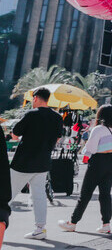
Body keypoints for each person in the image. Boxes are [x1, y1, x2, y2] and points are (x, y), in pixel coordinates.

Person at [58, 104, 112, 234]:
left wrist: (85, 155)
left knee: (85, 194)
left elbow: (91, 148)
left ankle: (72, 222)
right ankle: (106, 224)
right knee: (105, 194)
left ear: (100, 115)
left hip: (98, 162)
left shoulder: (98, 129)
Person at [9, 87, 63, 239]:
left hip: (24, 162)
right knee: (39, 196)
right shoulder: (57, 118)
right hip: (43, 162)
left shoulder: (31, 114)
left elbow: (15, 134)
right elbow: (58, 138)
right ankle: (40, 229)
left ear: (36, 98)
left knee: (6, 194)